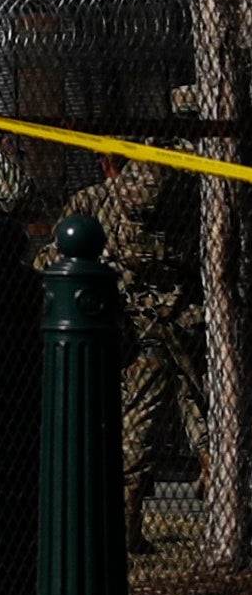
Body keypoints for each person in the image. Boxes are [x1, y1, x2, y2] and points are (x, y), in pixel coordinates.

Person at [88, 88, 214, 537]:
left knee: (142, 415)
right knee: (201, 401)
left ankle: (128, 518)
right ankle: (212, 467)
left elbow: (130, 208)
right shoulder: (208, 166)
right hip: (190, 310)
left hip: (149, 315)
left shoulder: (154, 170)